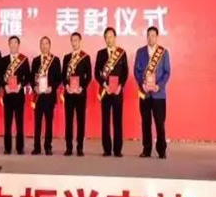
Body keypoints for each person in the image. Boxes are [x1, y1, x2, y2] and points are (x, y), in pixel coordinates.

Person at [134, 26, 171, 159]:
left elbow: (167, 72)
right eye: (148, 35)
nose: (151, 38)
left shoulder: (163, 52)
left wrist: (158, 86)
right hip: (144, 93)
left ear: (157, 37)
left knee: (160, 123)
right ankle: (146, 149)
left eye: (153, 35)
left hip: (158, 94)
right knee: (146, 122)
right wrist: (142, 84)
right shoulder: (140, 52)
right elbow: (136, 71)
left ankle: (161, 150)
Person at [94, 27, 129, 157]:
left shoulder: (122, 53)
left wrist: (120, 85)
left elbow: (125, 72)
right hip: (106, 92)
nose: (108, 39)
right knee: (105, 121)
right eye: (106, 37)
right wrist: (104, 85)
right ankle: (107, 149)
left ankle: (118, 150)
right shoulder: (101, 54)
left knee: (117, 121)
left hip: (118, 92)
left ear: (115, 37)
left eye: (110, 37)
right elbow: (96, 73)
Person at [62, 32, 92, 156]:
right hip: (69, 94)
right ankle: (69, 147)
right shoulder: (67, 57)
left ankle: (80, 147)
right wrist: (67, 86)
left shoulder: (85, 57)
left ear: (80, 41)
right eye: (72, 40)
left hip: (80, 94)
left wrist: (82, 87)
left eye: (76, 40)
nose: (74, 43)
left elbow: (89, 76)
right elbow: (63, 76)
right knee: (68, 121)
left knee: (80, 121)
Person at [30, 36, 61, 156]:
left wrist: (52, 87)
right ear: (40, 46)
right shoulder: (36, 60)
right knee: (37, 123)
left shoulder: (55, 60)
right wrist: (34, 87)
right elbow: (31, 78)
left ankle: (48, 147)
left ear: (50, 45)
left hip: (49, 96)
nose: (44, 46)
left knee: (48, 123)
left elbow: (59, 78)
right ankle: (36, 147)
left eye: (46, 43)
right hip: (38, 96)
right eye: (42, 43)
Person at [0, 36, 30, 155]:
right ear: (9, 45)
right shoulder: (4, 60)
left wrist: (20, 85)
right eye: (11, 43)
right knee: (7, 124)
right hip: (7, 96)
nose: (13, 45)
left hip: (18, 96)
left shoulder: (24, 60)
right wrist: (5, 86)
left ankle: (20, 148)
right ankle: (7, 148)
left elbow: (28, 77)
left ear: (18, 44)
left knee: (19, 124)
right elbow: (0, 77)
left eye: (15, 43)